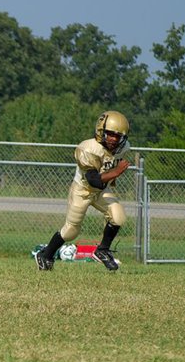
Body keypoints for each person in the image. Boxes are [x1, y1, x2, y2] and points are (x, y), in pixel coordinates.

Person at [34, 110, 132, 272]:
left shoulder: (123, 148)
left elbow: (104, 174)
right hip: (83, 189)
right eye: (110, 134)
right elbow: (93, 179)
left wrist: (112, 174)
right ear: (101, 131)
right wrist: (116, 172)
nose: (114, 139)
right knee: (71, 231)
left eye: (118, 136)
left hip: (101, 190)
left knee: (118, 217)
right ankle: (46, 255)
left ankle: (102, 250)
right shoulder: (87, 148)